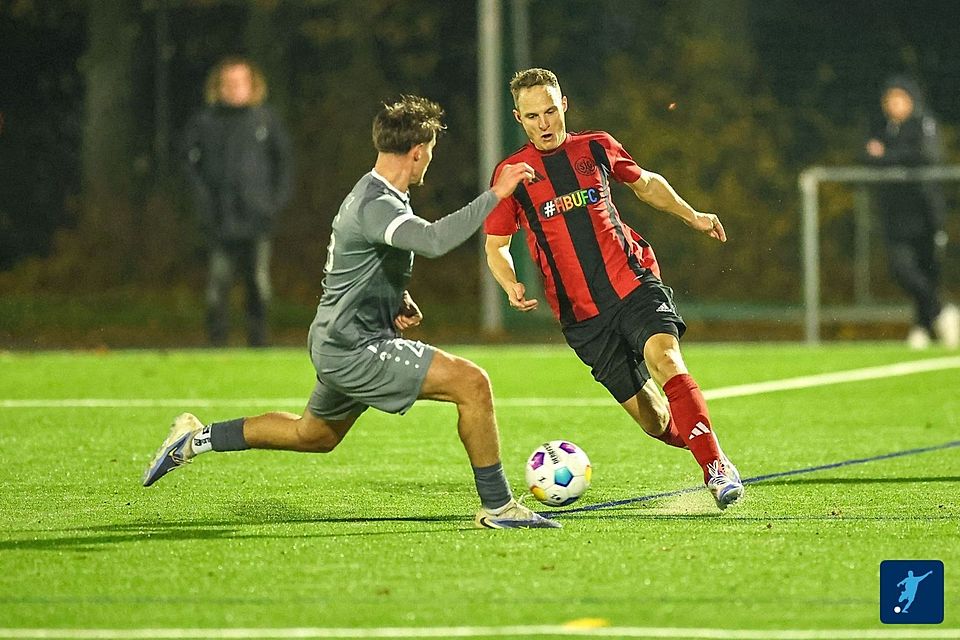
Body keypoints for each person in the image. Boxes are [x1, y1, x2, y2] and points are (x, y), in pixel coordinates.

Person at [146, 95, 559, 530]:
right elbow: (435, 240)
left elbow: (356, 262)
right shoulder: (376, 204)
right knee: (472, 384)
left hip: (337, 338)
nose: (428, 163)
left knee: (314, 435)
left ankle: (194, 439)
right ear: (418, 151)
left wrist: (395, 298)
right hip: (354, 347)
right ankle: (498, 507)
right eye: (430, 153)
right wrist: (496, 193)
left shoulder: (377, 192)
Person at [484, 68, 743, 509]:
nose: (544, 123)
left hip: (633, 283)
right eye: (532, 117)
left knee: (665, 358)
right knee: (656, 421)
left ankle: (714, 466)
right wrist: (509, 283)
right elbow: (496, 245)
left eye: (550, 111)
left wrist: (692, 215)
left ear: (563, 105)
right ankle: (704, 443)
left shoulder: (596, 147)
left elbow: (646, 184)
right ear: (518, 118)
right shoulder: (512, 173)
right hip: (582, 318)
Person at [182, 56, 294, 347]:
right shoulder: (204, 123)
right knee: (217, 285)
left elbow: (284, 166)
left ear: (252, 85)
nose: (234, 88)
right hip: (219, 220)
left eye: (240, 82)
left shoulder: (266, 121)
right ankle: (217, 342)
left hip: (257, 219)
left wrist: (272, 204)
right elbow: (189, 168)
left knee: (259, 284)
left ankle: (259, 341)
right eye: (228, 83)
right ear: (217, 87)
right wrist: (204, 205)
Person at [865, 75, 959, 349]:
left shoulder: (922, 124)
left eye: (899, 98)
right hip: (895, 214)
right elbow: (865, 155)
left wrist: (886, 155)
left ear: (911, 100)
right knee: (902, 269)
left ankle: (922, 326)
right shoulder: (883, 127)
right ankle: (942, 312)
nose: (893, 104)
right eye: (889, 99)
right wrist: (884, 155)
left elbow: (927, 156)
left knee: (927, 272)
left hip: (925, 213)